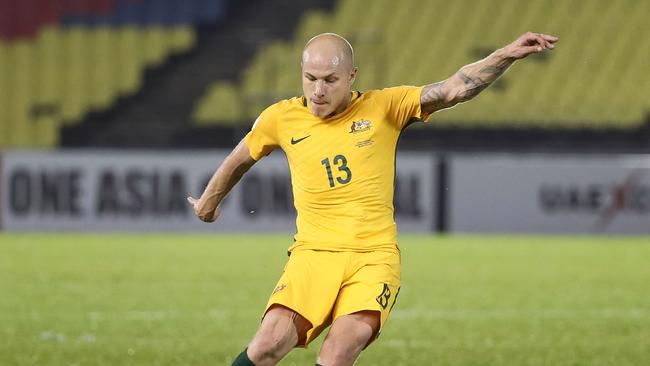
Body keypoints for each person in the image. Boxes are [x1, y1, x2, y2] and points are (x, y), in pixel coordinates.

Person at [188, 31, 558, 366]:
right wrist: (207, 203)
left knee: (338, 352)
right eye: (310, 79)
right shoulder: (280, 118)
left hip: (373, 258)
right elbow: (240, 158)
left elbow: (453, 89)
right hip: (313, 255)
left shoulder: (385, 107)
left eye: (330, 80)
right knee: (266, 346)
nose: (318, 90)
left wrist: (506, 54)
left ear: (352, 76)